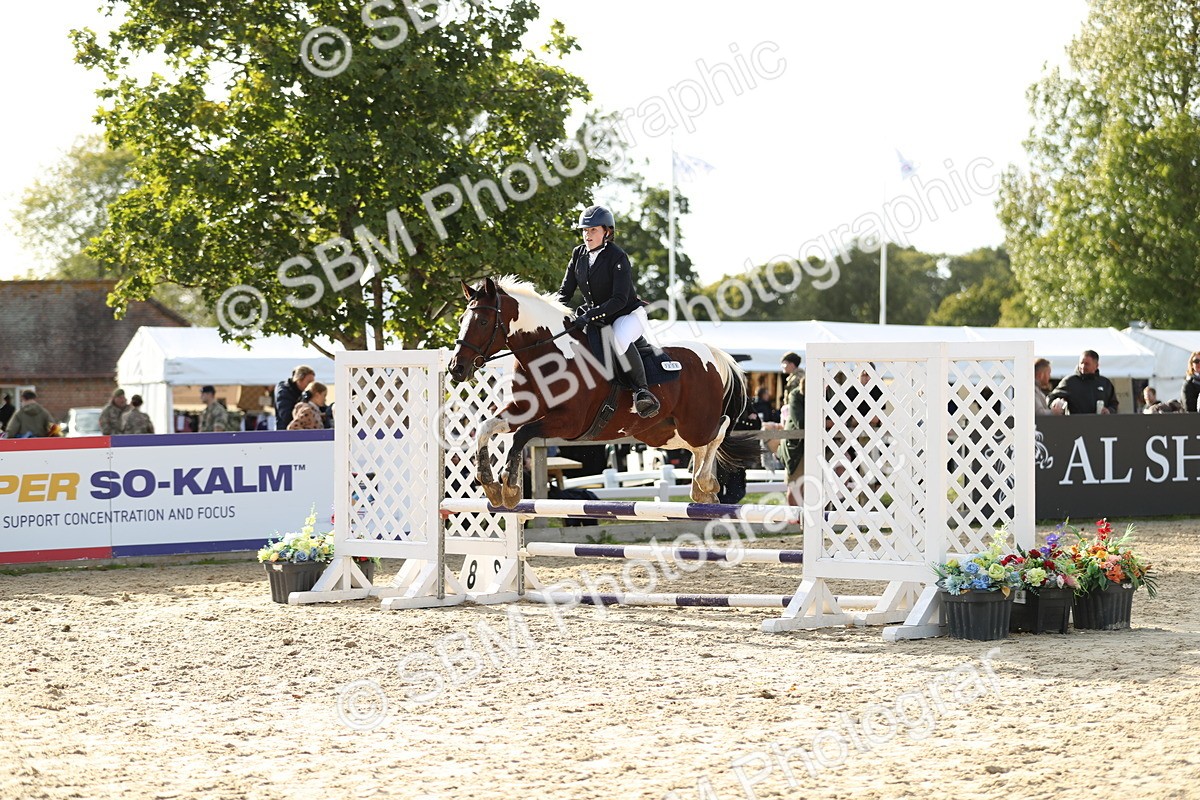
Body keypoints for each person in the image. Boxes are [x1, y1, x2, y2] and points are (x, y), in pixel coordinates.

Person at [556, 205, 659, 418]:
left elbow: (619, 299)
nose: (587, 234)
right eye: (585, 230)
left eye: (593, 230)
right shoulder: (579, 254)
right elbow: (565, 291)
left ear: (607, 232)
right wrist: (552, 311)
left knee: (619, 338)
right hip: (598, 316)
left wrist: (590, 315)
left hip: (626, 314)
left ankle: (642, 391)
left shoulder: (617, 256)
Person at [1048, 350, 1118, 414]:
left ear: (1096, 366)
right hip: (1075, 425)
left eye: (1087, 364)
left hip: (1100, 425)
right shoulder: (1069, 381)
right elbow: (1051, 398)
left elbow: (1114, 404)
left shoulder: (1105, 383)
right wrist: (1056, 404)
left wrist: (1109, 410)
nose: (1083, 366)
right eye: (1081, 363)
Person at [778, 355, 806, 507]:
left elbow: (793, 408)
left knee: (795, 482)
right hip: (793, 421)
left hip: (795, 424)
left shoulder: (798, 378)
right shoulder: (794, 376)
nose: (782, 366)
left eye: (784, 363)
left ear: (792, 364)